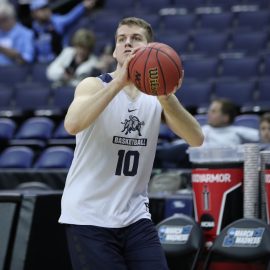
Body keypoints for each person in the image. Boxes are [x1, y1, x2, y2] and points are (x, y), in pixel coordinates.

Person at [59, 17, 204, 270]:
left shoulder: (156, 98)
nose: (127, 43)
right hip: (88, 215)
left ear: (151, 48)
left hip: (135, 216)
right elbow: (72, 125)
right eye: (121, 39)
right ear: (115, 50)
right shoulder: (93, 85)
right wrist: (119, 83)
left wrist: (167, 98)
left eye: (136, 38)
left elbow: (196, 139)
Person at [30, 0, 97, 63]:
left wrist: (83, 6)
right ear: (34, 13)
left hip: (58, 61)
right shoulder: (32, 27)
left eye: (47, 7)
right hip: (40, 63)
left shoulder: (57, 22)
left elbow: (71, 17)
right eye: (42, 9)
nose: (46, 10)